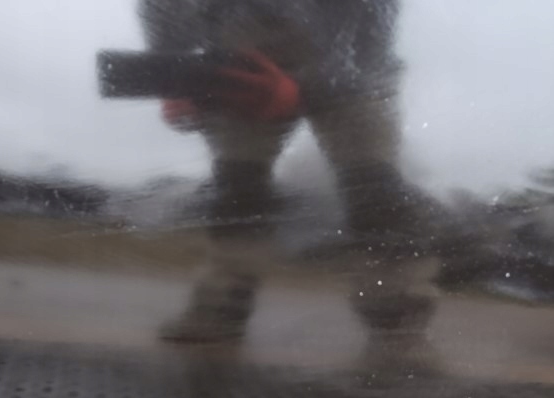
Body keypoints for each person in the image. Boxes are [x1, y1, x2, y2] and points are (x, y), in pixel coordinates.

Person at [139, 0, 442, 344]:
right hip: (243, 63)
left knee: (375, 188)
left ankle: (398, 323)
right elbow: (165, 6)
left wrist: (301, 87)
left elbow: (372, 24)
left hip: (353, 66)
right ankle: (220, 306)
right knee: (237, 189)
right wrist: (171, 77)